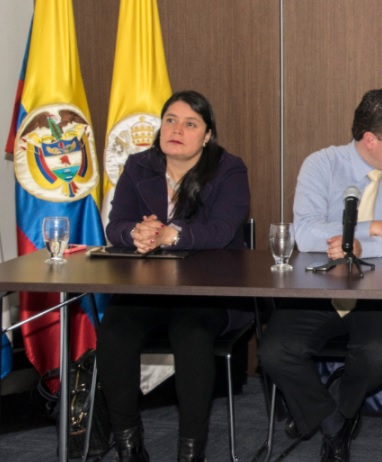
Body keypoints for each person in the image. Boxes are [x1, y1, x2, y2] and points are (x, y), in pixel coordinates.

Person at [257, 89, 382, 462]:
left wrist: (361, 246)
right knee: (275, 351)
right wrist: (376, 227)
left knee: (379, 354)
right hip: (320, 288)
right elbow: (306, 234)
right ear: (370, 139)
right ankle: (335, 422)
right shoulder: (321, 165)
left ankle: (332, 411)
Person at [97, 90, 251, 462]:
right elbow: (115, 225)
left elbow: (222, 230)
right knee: (114, 332)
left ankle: (190, 451)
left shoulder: (229, 169)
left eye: (190, 124)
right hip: (148, 289)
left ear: (207, 135)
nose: (177, 129)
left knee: (192, 335)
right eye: (170, 120)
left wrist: (172, 234)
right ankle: (129, 445)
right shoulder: (139, 165)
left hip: (208, 292)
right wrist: (136, 233)